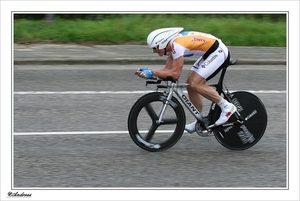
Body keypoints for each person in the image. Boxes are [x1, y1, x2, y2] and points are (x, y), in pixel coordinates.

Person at [136, 27, 237, 133]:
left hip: (218, 52)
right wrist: (149, 72)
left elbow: (175, 74)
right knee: (190, 85)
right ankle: (200, 119)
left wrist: (152, 72)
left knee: (195, 83)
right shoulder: (170, 47)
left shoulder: (177, 46)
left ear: (161, 43)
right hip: (210, 52)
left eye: (155, 48)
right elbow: (167, 70)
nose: (154, 51)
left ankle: (226, 107)